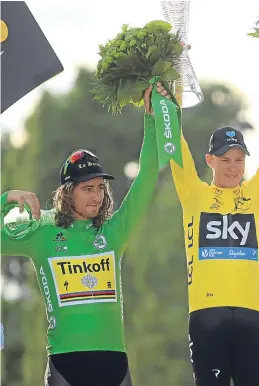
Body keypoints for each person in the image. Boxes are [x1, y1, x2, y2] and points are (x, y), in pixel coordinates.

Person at [165, 42, 259, 386]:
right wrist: (169, 85)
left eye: (238, 158)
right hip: (207, 317)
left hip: (251, 316)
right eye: (225, 159)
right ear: (210, 161)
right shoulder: (193, 193)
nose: (233, 167)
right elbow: (173, 138)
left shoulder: (255, 194)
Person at [1, 83, 171, 386]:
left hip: (114, 364)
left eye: (99, 189)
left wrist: (151, 117)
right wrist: (6, 200)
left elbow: (147, 175)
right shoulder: (42, 228)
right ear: (68, 192)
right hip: (66, 365)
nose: (96, 197)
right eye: (86, 189)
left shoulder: (113, 231)